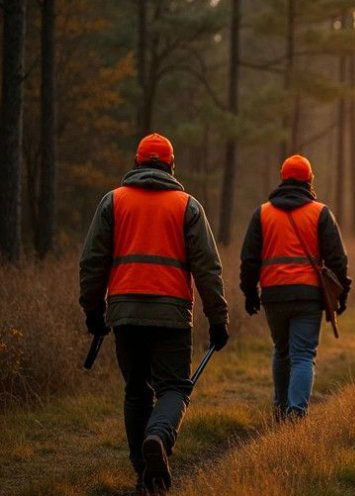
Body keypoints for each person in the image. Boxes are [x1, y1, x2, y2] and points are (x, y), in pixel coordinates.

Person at [79, 133, 229, 494]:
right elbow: (207, 268)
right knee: (174, 387)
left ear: (137, 163)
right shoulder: (187, 206)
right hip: (172, 314)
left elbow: (92, 261)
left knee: (136, 390)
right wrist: (217, 317)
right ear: (171, 166)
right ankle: (159, 437)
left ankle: (143, 471)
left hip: (125, 313)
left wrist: (93, 309)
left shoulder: (113, 201)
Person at [240, 155, 351, 421]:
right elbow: (337, 259)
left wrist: (250, 294)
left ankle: (280, 409)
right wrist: (342, 292)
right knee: (302, 355)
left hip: (274, 294)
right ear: (310, 179)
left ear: (282, 178)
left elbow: (249, 259)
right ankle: (296, 413)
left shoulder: (262, 213)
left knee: (282, 351)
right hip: (308, 295)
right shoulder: (320, 212)